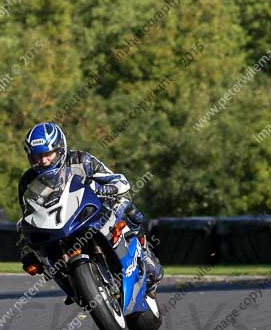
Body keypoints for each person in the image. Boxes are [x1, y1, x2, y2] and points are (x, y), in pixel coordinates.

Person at [16, 122, 163, 299]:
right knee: (34, 249)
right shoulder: (27, 182)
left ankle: (144, 252)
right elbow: (28, 216)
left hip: (91, 211)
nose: (43, 160)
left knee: (125, 207)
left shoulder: (81, 160)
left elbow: (118, 180)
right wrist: (27, 252)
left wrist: (108, 189)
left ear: (60, 149)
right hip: (57, 226)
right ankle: (73, 284)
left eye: (48, 154)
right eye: (36, 156)